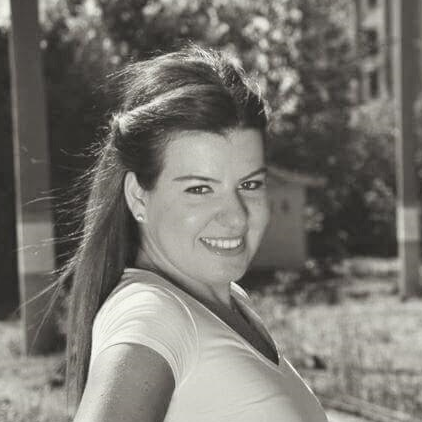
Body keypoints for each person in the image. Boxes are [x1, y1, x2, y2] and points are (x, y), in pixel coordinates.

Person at [63, 45, 328, 422]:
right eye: (200, 189)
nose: (236, 217)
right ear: (138, 197)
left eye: (250, 184)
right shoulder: (153, 314)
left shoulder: (229, 301)